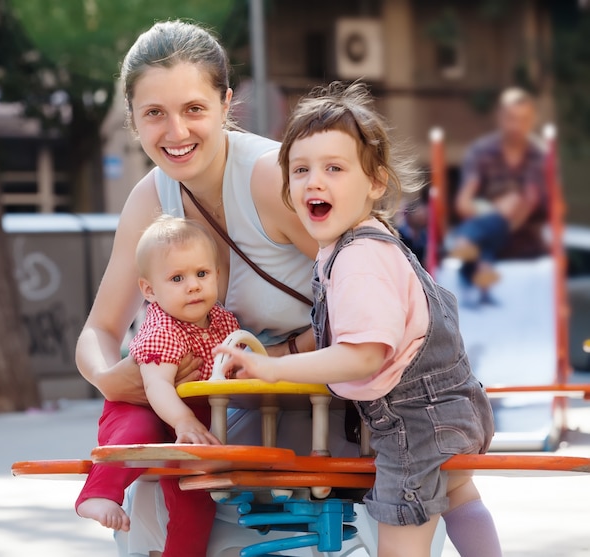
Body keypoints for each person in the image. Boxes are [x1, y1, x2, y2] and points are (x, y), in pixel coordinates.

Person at [75, 19, 378, 557]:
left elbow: (383, 291)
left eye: (193, 109)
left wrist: (280, 357)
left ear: (226, 103)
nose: (176, 132)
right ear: (133, 121)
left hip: (331, 406)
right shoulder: (150, 198)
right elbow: (98, 329)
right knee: (148, 498)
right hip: (230, 410)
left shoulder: (270, 177)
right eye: (154, 114)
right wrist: (111, 376)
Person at [214, 82, 502, 557]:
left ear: (375, 183)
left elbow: (364, 354)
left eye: (334, 168)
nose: (314, 181)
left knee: (400, 537)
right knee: (459, 496)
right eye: (300, 170)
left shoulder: (358, 258)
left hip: (415, 423)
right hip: (451, 408)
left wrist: (273, 369)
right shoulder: (368, 242)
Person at [76, 215, 239, 537]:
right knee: (140, 430)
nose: (193, 285)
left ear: (217, 275)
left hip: (184, 421)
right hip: (141, 409)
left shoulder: (222, 320)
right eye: (177, 278)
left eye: (202, 274)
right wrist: (184, 421)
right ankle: (97, 495)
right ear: (149, 290)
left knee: (195, 501)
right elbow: (158, 384)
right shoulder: (162, 329)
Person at [452, 87, 547, 302]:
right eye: (511, 118)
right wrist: (498, 212)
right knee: (495, 225)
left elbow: (531, 203)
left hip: (523, 253)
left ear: (532, 120)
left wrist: (503, 219)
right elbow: (463, 203)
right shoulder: (481, 153)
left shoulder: (538, 156)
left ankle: (467, 243)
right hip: (486, 237)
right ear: (500, 117)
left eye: (523, 119)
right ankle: (477, 258)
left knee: (496, 224)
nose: (517, 126)